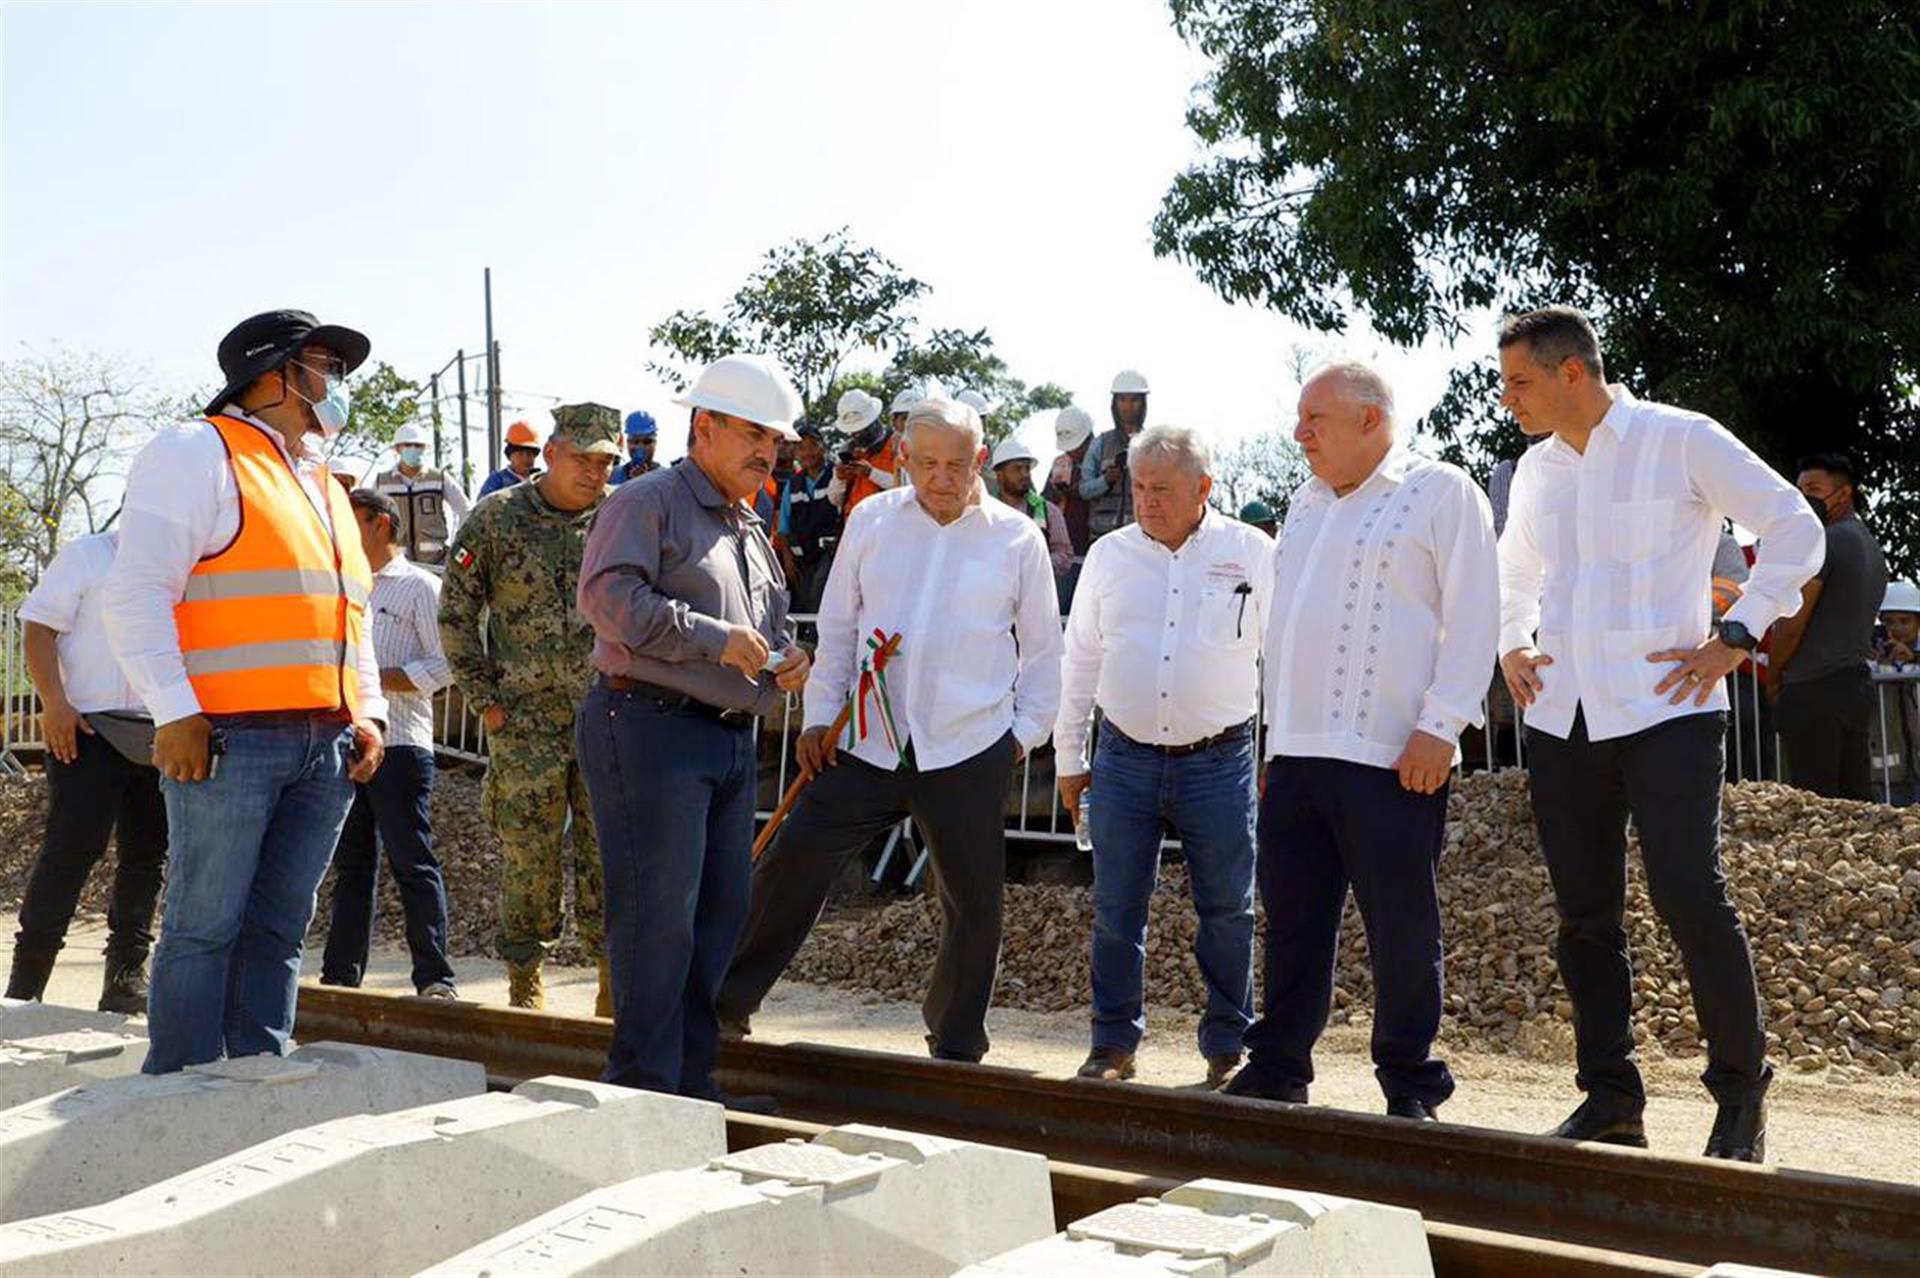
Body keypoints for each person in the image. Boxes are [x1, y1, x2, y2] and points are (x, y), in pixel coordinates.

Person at [1496, 306, 1824, 1162]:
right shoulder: (1535, 471)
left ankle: (1741, 1098)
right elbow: (1515, 569)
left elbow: (1796, 528)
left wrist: (1739, 635)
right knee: (1584, 918)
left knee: (1690, 894)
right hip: (1562, 716)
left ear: (1573, 372)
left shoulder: (1681, 439)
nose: (1508, 399)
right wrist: (1512, 641)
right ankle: (1611, 1101)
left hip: (1670, 709)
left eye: (1519, 382)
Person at [719, 397, 1062, 1064]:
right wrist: (819, 717)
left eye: (956, 464)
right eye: (927, 462)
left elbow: (1045, 653)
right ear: (902, 458)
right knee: (794, 859)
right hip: (866, 740)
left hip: (966, 744)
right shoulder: (872, 520)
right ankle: (725, 1004)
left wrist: (1018, 739)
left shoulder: (1017, 539)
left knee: (974, 903)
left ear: (980, 462)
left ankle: (957, 1040)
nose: (940, 477)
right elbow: (841, 628)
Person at [103, 308, 387, 1074]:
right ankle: (183, 1088)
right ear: (270, 375)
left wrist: (368, 713)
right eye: (322, 365)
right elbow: (134, 593)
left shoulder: (319, 480)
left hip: (323, 742)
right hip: (228, 739)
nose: (335, 384)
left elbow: (347, 613)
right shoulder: (198, 452)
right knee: (205, 927)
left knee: (279, 928)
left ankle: (258, 1071)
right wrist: (176, 710)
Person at [1226, 363, 1499, 1121]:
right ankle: (1280, 1063)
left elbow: (1477, 615)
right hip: (1301, 752)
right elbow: (1283, 632)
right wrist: (1273, 747)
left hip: (1392, 754)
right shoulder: (1305, 505)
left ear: (1371, 421)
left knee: (1401, 924)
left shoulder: (1442, 492)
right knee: (1293, 919)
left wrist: (1441, 727)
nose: (1300, 434)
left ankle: (1410, 1080)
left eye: (1316, 419)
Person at [574, 353, 812, 1100]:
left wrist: (784, 659)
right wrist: (715, 640)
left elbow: (761, 627)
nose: (766, 454)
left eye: (774, 442)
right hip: (648, 726)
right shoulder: (647, 501)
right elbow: (608, 601)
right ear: (702, 427)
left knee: (714, 921)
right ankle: (644, 1092)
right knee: (658, 920)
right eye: (752, 435)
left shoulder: (747, 523)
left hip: (720, 738)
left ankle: (690, 1086)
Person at [1055, 425, 1272, 1089]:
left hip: (1221, 759)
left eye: (1162, 490)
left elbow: (1284, 656)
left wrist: (1282, 752)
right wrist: (1070, 755)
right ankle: (1112, 1044)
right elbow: (1081, 656)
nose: (1146, 501)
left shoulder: (1254, 552)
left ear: (1204, 489)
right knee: (1117, 906)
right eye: (1139, 487)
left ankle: (1228, 1044)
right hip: (1123, 758)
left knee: (1228, 909)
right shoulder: (1109, 556)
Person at [439, 403, 621, 1012]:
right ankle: (525, 980)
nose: (593, 473)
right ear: (549, 454)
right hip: (525, 725)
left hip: (610, 718)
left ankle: (610, 978)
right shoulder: (498, 518)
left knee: (613, 849)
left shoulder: (622, 518)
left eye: (605, 462)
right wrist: (484, 700)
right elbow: (457, 613)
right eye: (581, 459)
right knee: (528, 852)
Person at [6, 529, 166, 1014]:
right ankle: (25, 986)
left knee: (148, 857)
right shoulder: (88, 555)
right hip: (86, 728)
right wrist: (54, 702)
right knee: (70, 852)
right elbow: (38, 626)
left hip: (162, 730)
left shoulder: (186, 565)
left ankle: (124, 979)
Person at [319, 489, 458, 998]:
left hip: (401, 744)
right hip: (348, 742)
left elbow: (446, 663)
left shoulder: (421, 587)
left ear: (379, 524)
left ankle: (435, 977)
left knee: (412, 860)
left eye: (350, 520)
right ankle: (340, 977)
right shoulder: (342, 585)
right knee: (351, 865)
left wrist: (378, 681)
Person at [1766, 453, 1887, 800]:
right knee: (1852, 804)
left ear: (1844, 493)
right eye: (1799, 489)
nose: (1804, 497)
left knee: (1814, 808)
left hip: (1814, 690)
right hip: (1853, 686)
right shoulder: (1870, 546)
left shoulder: (1826, 542)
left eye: (1814, 489)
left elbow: (1791, 623)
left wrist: (1774, 677)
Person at [374, 422, 470, 572]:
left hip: (435, 564)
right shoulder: (382, 482)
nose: (413, 449)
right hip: (398, 565)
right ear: (398, 448)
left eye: (418, 445)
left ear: (425, 448)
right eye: (408, 445)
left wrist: (459, 545)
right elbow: (369, 517)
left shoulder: (439, 478)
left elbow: (466, 510)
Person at [990, 436, 1074, 589]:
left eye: (1027, 468)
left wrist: (1038, 564)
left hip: (1037, 595)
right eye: (1017, 469)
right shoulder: (986, 512)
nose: (1024, 474)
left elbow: (1065, 554)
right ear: (999, 474)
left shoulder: (1048, 511)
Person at [778, 423, 841, 615]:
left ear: (823, 446)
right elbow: (783, 526)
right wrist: (788, 560)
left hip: (831, 557)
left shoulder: (838, 475)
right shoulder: (793, 484)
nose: (807, 452)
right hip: (802, 561)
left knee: (822, 601)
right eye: (801, 447)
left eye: (812, 445)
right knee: (803, 604)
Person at [1081, 370, 1151, 542]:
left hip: (1142, 538)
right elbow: (1084, 489)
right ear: (1115, 403)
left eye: (1134, 400)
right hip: (1103, 537)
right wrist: (1106, 481)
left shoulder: (1153, 444)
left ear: (1143, 403)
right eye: (1122, 400)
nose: (1128, 406)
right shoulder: (1101, 443)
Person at [829, 388, 902, 516]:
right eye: (853, 432)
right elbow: (834, 500)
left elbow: (906, 489)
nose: (857, 436)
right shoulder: (847, 451)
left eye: (861, 430)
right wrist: (839, 478)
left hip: (888, 527)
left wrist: (871, 473)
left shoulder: (898, 445)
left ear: (874, 421)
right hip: (855, 529)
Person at [478, 420, 542, 499]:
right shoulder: (497, 480)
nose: (525, 459)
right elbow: (482, 507)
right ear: (509, 455)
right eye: (520, 454)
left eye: (529, 454)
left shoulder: (540, 481)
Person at [612, 411, 660, 485]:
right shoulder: (613, 475)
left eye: (647, 442)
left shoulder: (667, 480)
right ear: (627, 443)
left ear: (655, 444)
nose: (640, 447)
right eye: (635, 441)